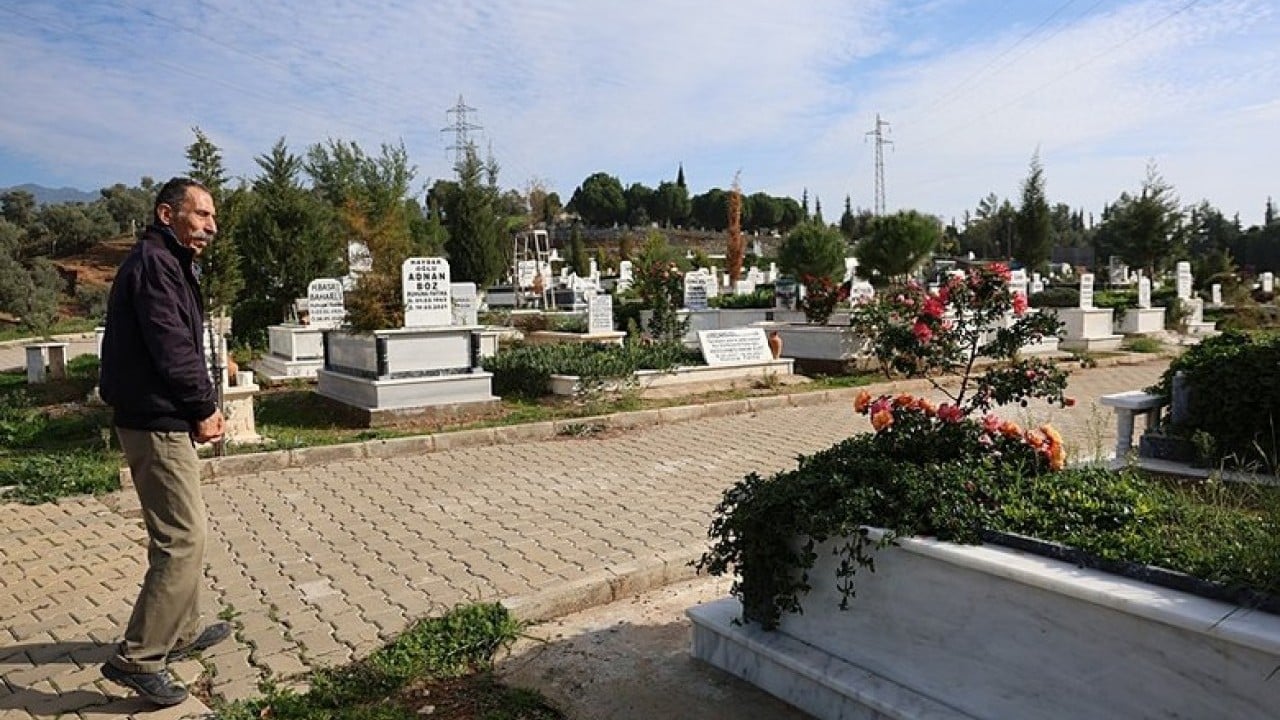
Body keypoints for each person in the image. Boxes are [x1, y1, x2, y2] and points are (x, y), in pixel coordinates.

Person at [97, 177, 232, 706]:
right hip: (157, 421)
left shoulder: (167, 261)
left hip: (158, 416)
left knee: (179, 533)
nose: (211, 226)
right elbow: (173, 347)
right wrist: (203, 406)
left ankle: (182, 630)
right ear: (166, 214)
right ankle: (139, 657)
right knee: (183, 539)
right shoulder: (155, 265)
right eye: (201, 215)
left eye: (213, 217)